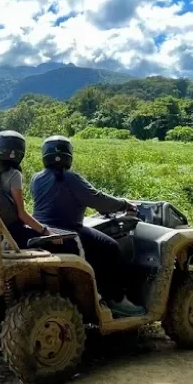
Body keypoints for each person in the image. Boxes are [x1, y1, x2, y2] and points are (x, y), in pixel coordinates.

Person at [30, 135, 143, 317]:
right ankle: (117, 300)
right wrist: (124, 204)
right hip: (69, 230)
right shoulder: (71, 178)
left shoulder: (36, 178)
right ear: (69, 155)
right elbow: (97, 199)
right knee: (111, 248)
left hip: (41, 230)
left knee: (96, 245)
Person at [0, 130, 48, 249]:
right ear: (20, 153)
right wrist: (45, 231)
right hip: (9, 233)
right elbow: (22, 214)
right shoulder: (15, 174)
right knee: (47, 240)